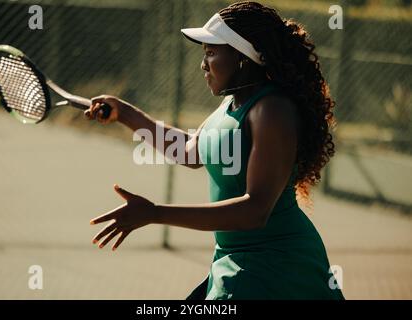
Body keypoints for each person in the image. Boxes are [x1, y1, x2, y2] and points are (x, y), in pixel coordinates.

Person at [85, 1, 344, 300]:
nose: (203, 64)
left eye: (211, 52)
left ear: (243, 57)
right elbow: (189, 151)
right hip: (234, 260)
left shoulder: (271, 110)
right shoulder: (230, 104)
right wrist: (125, 113)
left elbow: (255, 211)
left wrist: (154, 213)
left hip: (276, 267)